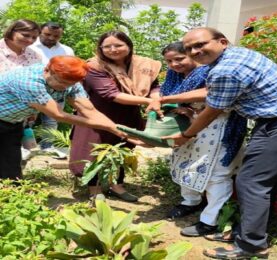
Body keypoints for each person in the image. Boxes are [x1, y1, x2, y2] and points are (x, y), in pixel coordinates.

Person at [162, 27, 277, 259]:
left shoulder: (227, 69)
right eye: (189, 48)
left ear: (222, 41)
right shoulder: (233, 56)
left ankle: (252, 246)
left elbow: (211, 111)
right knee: (260, 180)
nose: (195, 51)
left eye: (200, 45)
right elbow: (212, 92)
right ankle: (245, 233)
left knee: (251, 182)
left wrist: (185, 135)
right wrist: (169, 98)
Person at [147, 41, 245, 237]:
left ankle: (211, 220)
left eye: (179, 58)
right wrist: (185, 109)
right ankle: (190, 201)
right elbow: (172, 97)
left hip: (218, 127)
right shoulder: (175, 76)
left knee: (217, 173)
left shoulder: (211, 72)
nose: (174, 64)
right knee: (185, 164)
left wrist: (188, 107)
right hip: (189, 127)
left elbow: (219, 100)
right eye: (169, 61)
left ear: (192, 56)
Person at [0, 56, 129, 181]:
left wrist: (117, 129)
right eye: (61, 82)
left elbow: (90, 111)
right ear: (47, 70)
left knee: (11, 166)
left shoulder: (71, 81)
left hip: (13, 122)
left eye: (70, 84)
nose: (64, 87)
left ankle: (11, 193)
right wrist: (108, 127)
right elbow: (58, 115)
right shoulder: (29, 81)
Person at [69, 31, 162, 202]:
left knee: (121, 150)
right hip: (97, 115)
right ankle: (94, 190)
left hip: (128, 115)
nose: (113, 49)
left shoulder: (144, 65)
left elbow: (154, 85)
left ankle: (117, 186)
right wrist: (149, 102)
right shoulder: (94, 66)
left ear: (129, 46)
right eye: (107, 46)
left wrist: (155, 98)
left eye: (118, 45)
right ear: (100, 49)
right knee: (93, 151)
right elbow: (111, 94)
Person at [30, 22, 75, 155]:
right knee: (28, 119)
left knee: (52, 120)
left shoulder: (67, 50)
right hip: (33, 89)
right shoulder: (30, 47)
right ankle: (24, 146)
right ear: (40, 32)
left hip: (58, 90)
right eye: (47, 34)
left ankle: (47, 146)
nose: (51, 38)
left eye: (56, 35)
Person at [0, 19, 42, 160]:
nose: (29, 40)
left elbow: (37, 84)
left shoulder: (34, 56)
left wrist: (34, 110)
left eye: (34, 37)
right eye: (25, 35)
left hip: (17, 116)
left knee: (11, 159)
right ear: (12, 31)